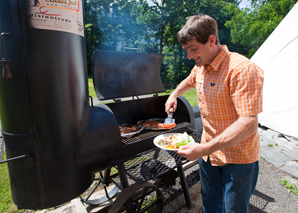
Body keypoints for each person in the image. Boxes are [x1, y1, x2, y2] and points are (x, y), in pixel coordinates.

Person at [165, 13, 264, 213]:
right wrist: (174, 94)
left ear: (211, 40)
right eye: (187, 49)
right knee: (210, 204)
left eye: (193, 49)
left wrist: (203, 149)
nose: (189, 56)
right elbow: (189, 80)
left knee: (234, 209)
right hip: (209, 155)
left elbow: (248, 123)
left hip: (238, 158)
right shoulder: (201, 67)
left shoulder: (242, 69)